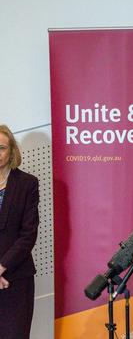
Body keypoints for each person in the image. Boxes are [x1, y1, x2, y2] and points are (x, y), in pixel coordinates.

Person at [0, 125, 39, 339]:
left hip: (16, 278)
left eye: (1, 148)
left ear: (12, 150)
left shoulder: (27, 184)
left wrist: (1, 267)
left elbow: (28, 235)